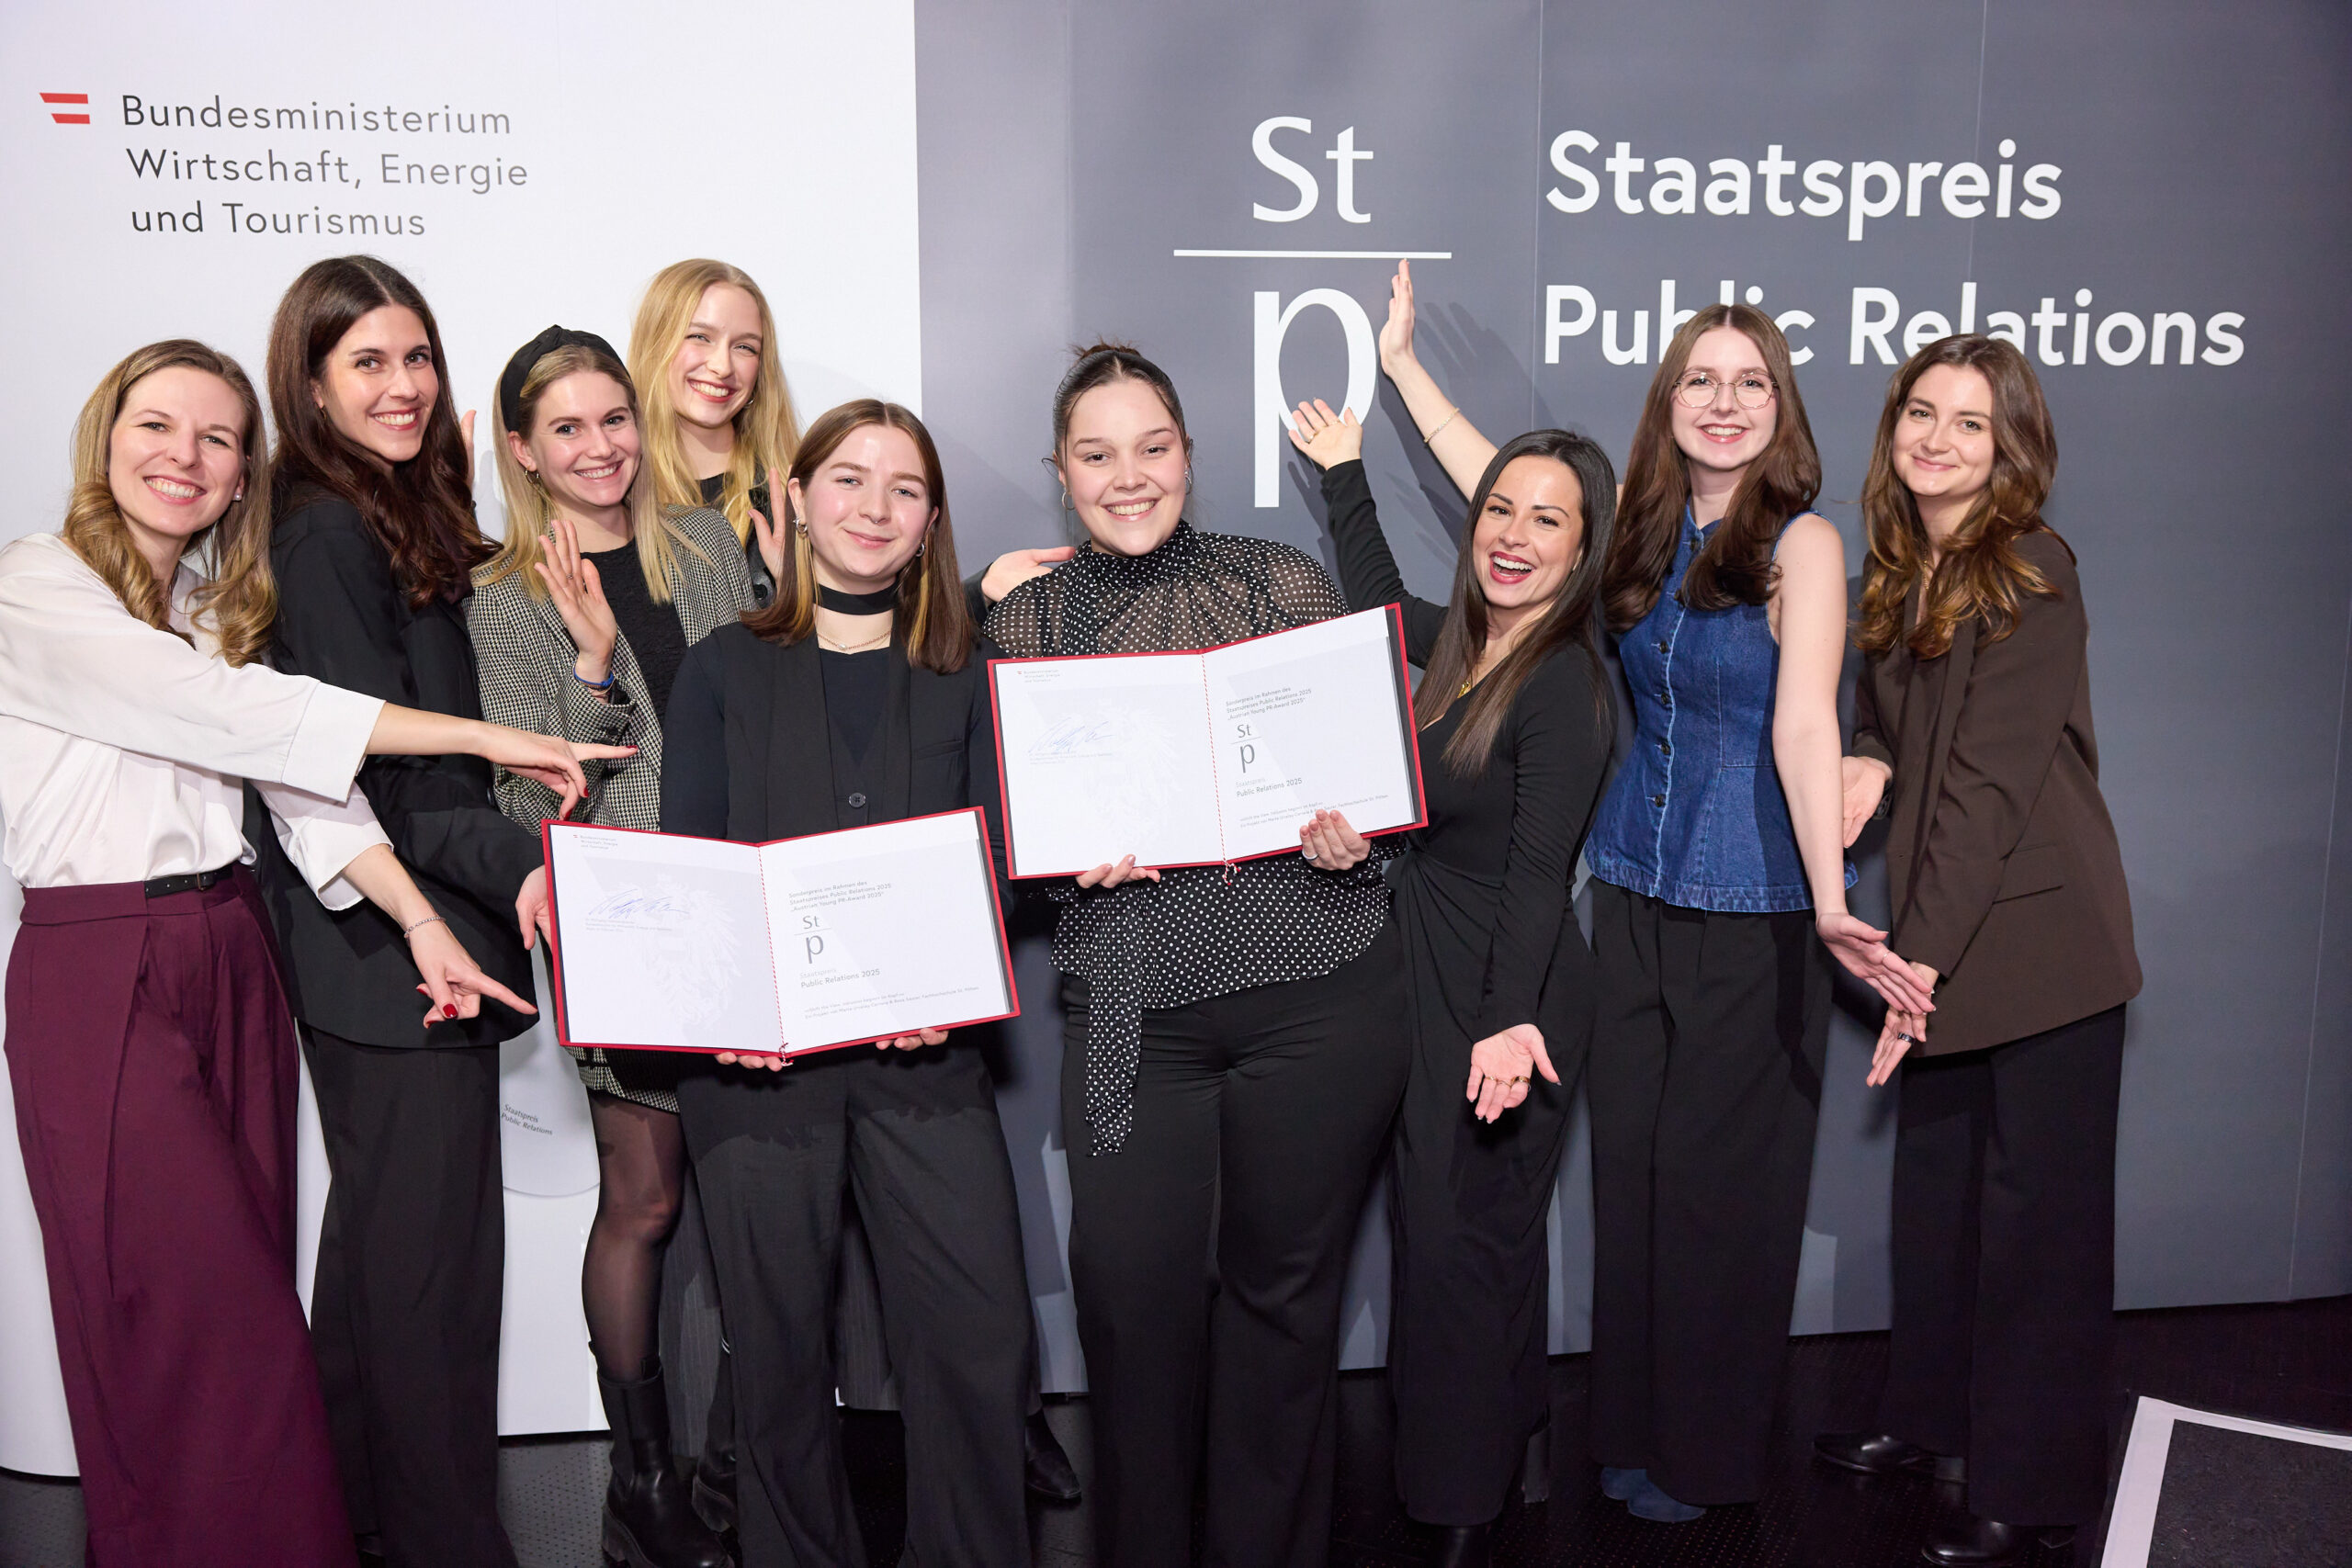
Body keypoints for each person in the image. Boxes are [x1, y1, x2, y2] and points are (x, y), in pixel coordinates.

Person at [0, 339, 616, 1568]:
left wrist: (423, 925)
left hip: (232, 950)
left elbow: (302, 789)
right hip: (99, 961)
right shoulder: (38, 582)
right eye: (157, 426)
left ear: (244, 475)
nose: (185, 456)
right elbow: (237, 715)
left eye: (218, 438)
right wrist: (484, 735)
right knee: (187, 1315)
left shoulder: (209, 608)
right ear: (104, 438)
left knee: (255, 1307)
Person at [1374, 260, 1929, 1523]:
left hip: (1757, 910)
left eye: (1750, 383)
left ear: (1780, 406)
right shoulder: (1634, 522)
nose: (1723, 403)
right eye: (1700, 381)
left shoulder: (1802, 543)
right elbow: (1499, 479)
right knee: (1630, 1181)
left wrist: (1830, 898)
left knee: (1720, 1201)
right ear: (1668, 401)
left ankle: (1707, 1454)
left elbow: (1804, 724)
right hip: (1625, 898)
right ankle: (1627, 1429)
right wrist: (1403, 369)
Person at [628, 258, 1082, 1509]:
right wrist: (732, 1014)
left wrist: (947, 981)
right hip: (758, 1073)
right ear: (796, 495)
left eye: (905, 489)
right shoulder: (722, 668)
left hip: (924, 1060)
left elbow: (1004, 868)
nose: (874, 507)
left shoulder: (967, 670)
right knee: (776, 1365)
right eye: (848, 479)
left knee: (978, 1344)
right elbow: (695, 871)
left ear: (931, 521)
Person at [984, 344, 1413, 1568]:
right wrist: (1056, 864)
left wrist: (1353, 841)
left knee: (1286, 1310)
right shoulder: (1026, 622)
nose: (1129, 476)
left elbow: (1364, 791)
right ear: (1061, 471)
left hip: (1317, 997)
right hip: (1136, 1012)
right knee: (1131, 1308)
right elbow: (1004, 833)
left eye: (1152, 447)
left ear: (1188, 454)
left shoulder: (1280, 581)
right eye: (1098, 453)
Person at [245, 254, 566, 1568]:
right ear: (311, 385)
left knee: (386, 1258)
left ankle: (355, 1519)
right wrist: (526, 866)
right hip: (386, 944)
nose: (403, 385)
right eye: (368, 361)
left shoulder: (385, 513)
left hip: (397, 935)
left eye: (417, 356)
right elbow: (371, 769)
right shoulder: (325, 529)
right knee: (429, 1278)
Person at [1813, 335, 2139, 1568]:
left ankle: (2030, 1486)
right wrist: (1869, 755)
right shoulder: (1903, 567)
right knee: (1940, 1206)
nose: (1937, 439)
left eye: (1969, 423)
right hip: (1946, 931)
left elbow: (1988, 789)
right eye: (1921, 412)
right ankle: (1930, 1421)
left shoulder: (2033, 568)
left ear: (2010, 450)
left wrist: (1913, 968)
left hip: (2041, 947)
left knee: (2038, 1236)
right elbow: (1893, 727)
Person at [1287, 402, 1616, 1568]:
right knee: (1466, 1236)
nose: (1513, 536)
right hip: (1427, 965)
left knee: (1459, 1248)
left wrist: (1507, 1023)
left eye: (1547, 520)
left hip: (1502, 988)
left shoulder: (1564, 681)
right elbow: (1379, 603)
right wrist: (1343, 472)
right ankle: (1507, 1442)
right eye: (1499, 510)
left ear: (1584, 549)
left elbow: (1537, 875)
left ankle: (1459, 1505)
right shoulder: (1469, 644)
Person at [469, 325, 751, 1568]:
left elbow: (767, 698)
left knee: (755, 1196)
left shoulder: (704, 544)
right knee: (644, 1197)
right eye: (567, 428)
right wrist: (588, 666)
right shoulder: (501, 598)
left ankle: (739, 1462)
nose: (600, 447)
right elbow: (525, 799)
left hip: (742, 901)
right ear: (523, 450)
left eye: (614, 418)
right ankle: (639, 1479)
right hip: (626, 917)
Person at [627, 257, 798, 597]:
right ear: (654, 343)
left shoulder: (794, 496)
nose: (722, 366)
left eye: (745, 347)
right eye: (700, 337)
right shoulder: (612, 491)